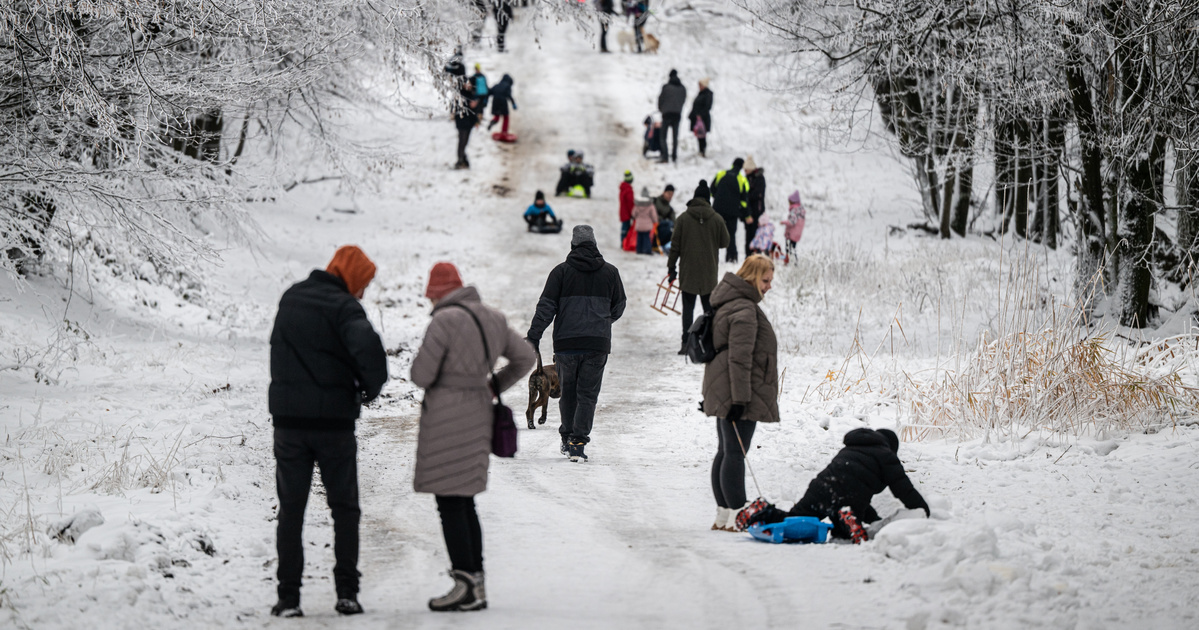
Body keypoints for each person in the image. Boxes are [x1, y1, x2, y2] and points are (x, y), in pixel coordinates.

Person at [268, 245, 389, 618]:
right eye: (363, 283)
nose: (363, 293)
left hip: (289, 425)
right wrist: (369, 390)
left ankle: (288, 598)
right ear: (350, 276)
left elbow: (277, 351)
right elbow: (371, 354)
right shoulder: (345, 307)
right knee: (345, 509)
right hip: (334, 426)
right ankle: (347, 593)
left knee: (291, 510)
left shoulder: (291, 298)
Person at [411, 262, 536, 611]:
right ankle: (475, 583)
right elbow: (526, 357)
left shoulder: (443, 321)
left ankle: (464, 585)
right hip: (479, 413)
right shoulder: (492, 318)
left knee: (449, 502)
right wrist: (493, 386)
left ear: (437, 293)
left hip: (445, 417)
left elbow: (421, 375)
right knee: (464, 499)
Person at [526, 225, 627, 462]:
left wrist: (533, 335)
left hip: (566, 344)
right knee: (588, 396)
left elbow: (546, 307)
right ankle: (578, 442)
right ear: (594, 244)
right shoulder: (610, 273)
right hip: (597, 344)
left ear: (573, 245)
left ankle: (566, 437)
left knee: (569, 394)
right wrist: (602, 322)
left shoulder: (560, 273)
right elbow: (619, 306)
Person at [736, 429, 931, 543]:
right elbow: (903, 488)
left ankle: (765, 511)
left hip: (821, 487)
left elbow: (844, 483)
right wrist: (923, 509)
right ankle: (846, 521)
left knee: (795, 519)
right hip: (851, 496)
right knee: (844, 530)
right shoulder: (886, 455)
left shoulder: (851, 448)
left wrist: (875, 521)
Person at [702, 255, 778, 532]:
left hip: (726, 387)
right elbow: (740, 359)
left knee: (726, 451)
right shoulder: (744, 309)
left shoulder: (730, 303)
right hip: (740, 391)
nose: (769, 286)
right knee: (734, 452)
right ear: (752, 278)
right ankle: (737, 514)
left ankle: (724, 515)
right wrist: (741, 400)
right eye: (765, 280)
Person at [667, 180, 729, 354]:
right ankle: (710, 343)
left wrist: (671, 268)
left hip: (688, 272)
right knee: (709, 310)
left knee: (688, 310)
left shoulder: (683, 219)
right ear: (708, 199)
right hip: (709, 273)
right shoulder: (717, 219)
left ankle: (686, 344)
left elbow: (674, 247)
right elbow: (725, 242)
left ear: (694, 198)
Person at [712, 158, 750, 262]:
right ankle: (732, 257)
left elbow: (712, 190)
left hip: (717, 210)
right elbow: (744, 200)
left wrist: (719, 199)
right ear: (742, 167)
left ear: (733, 164)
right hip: (732, 212)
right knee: (730, 235)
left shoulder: (721, 174)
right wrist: (746, 214)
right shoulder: (742, 180)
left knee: (714, 234)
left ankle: (710, 256)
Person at [657, 69, 687, 163]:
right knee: (675, 136)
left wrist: (662, 109)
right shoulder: (683, 88)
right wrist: (678, 108)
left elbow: (660, 99)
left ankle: (665, 157)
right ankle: (674, 156)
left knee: (663, 136)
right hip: (677, 114)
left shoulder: (666, 87)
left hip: (666, 114)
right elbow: (683, 100)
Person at [453, 74, 480, 170]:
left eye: (469, 83)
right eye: (466, 83)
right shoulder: (459, 94)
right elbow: (458, 108)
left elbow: (474, 110)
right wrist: (470, 105)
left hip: (469, 123)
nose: (469, 85)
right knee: (462, 142)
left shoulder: (471, 93)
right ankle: (460, 160)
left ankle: (463, 160)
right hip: (462, 122)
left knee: (465, 143)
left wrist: (476, 121)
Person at [744, 155, 766, 254]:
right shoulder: (747, 178)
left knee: (756, 236)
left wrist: (747, 195)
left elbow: (757, 194)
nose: (745, 171)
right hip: (749, 211)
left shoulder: (759, 178)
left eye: (746, 170)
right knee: (748, 236)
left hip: (757, 211)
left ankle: (756, 256)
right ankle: (748, 256)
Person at [688, 78, 713, 157]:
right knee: (699, 135)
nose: (699, 86)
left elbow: (707, 106)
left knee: (702, 135)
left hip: (703, 118)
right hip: (697, 118)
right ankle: (701, 150)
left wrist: (700, 114)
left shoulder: (708, 94)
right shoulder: (700, 94)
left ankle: (702, 150)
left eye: (701, 85)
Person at [780, 190, 806, 260]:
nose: (788, 203)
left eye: (789, 201)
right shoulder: (800, 210)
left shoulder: (794, 210)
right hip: (796, 234)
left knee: (788, 249)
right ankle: (793, 261)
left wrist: (783, 222)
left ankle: (789, 261)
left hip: (791, 234)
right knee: (793, 249)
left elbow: (792, 222)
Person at [618, 170, 635, 240]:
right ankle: (624, 243)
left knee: (624, 229)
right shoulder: (628, 190)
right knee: (625, 230)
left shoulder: (623, 188)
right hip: (627, 214)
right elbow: (630, 203)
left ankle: (623, 242)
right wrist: (633, 213)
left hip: (623, 212)